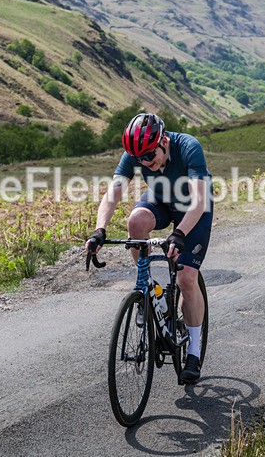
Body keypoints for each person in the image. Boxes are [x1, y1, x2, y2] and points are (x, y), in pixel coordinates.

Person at [85, 113, 213, 384]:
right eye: (139, 158)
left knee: (186, 278)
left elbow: (200, 200)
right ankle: (150, 289)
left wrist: (179, 233)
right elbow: (113, 194)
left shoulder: (189, 147)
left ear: (163, 141)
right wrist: (99, 230)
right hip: (161, 200)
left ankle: (192, 351)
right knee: (136, 222)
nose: (145, 163)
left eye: (149, 156)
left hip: (194, 209)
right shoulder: (135, 153)